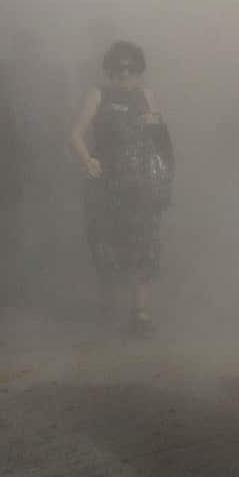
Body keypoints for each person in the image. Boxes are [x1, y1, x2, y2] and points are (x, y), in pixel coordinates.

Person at [71, 40, 175, 332]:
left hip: (141, 183)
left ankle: (140, 312)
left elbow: (161, 142)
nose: (125, 74)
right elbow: (76, 134)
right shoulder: (98, 94)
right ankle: (109, 305)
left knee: (145, 244)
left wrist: (164, 179)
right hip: (105, 182)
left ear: (139, 70)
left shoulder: (147, 95)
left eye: (130, 69)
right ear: (109, 70)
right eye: (118, 69)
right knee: (106, 243)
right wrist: (87, 160)